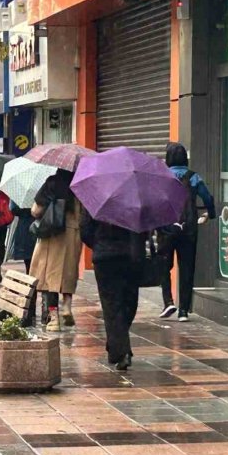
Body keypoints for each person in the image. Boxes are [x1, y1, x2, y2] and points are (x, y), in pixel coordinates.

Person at [81, 209, 146, 371]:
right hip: (110, 257)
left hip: (126, 256)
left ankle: (116, 345)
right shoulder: (97, 200)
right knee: (117, 304)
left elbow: (85, 230)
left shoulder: (133, 201)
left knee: (124, 304)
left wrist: (97, 244)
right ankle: (122, 351)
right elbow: (85, 229)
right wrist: (99, 244)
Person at [159, 142, 216, 322]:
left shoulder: (162, 176)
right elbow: (207, 197)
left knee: (163, 265)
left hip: (167, 227)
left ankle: (168, 301)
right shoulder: (193, 177)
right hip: (189, 228)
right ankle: (183, 310)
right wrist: (210, 214)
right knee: (187, 268)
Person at [30, 170, 82, 332]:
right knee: (68, 274)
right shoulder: (79, 186)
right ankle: (67, 306)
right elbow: (82, 214)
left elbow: (36, 210)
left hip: (52, 233)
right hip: (72, 233)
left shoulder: (51, 183)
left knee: (49, 278)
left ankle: (54, 318)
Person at [9, 201, 36, 274]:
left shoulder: (19, 193)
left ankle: (28, 272)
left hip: (24, 224)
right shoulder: (42, 193)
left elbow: (13, 209)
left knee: (26, 253)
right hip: (38, 223)